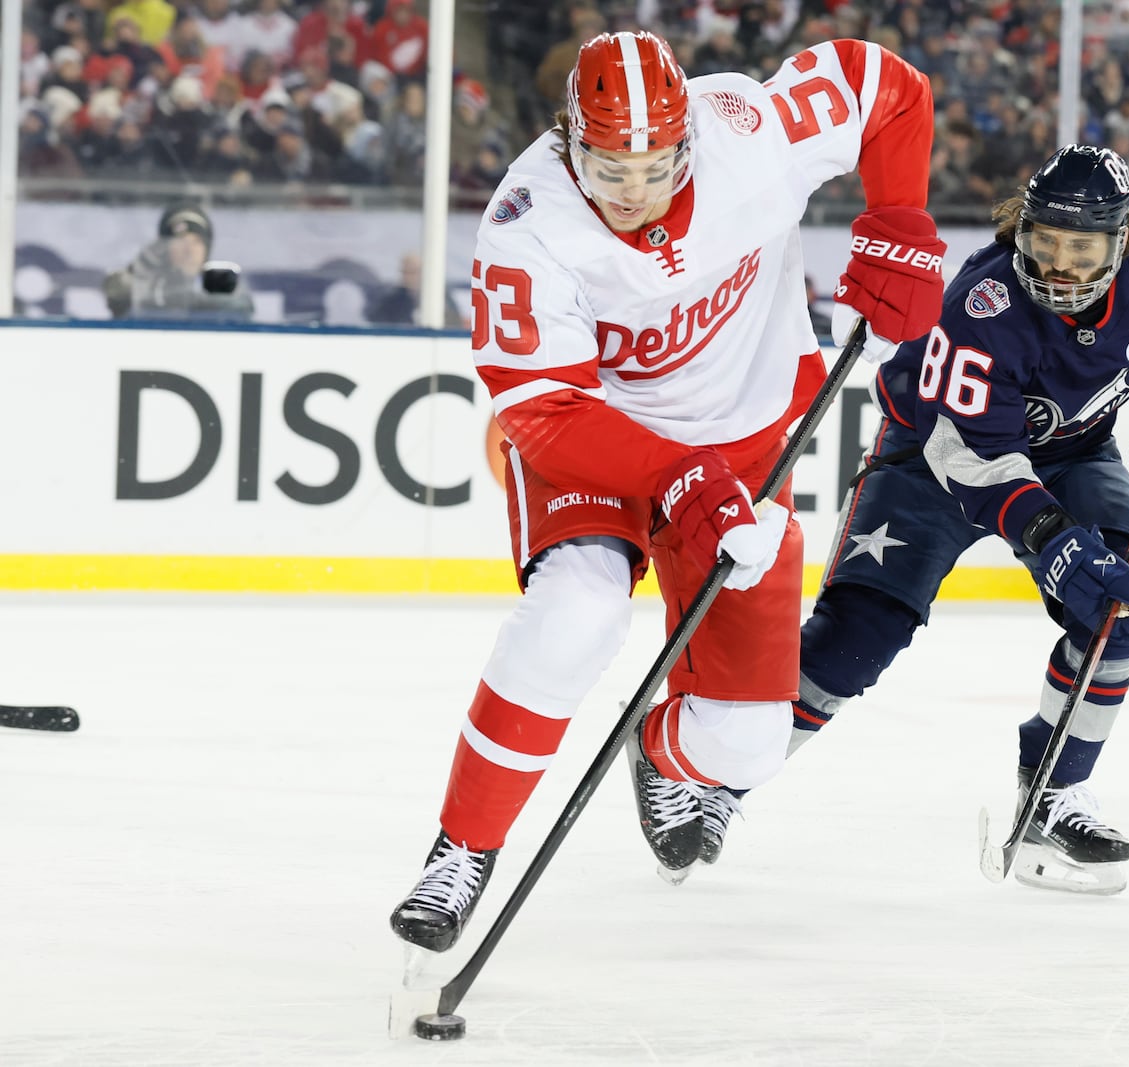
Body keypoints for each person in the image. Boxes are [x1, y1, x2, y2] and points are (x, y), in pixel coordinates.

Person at [389, 30, 945, 951]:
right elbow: (543, 411)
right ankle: (463, 848)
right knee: (578, 613)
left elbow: (889, 86)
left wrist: (901, 225)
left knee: (748, 746)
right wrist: (675, 474)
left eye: (656, 165)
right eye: (610, 170)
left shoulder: (749, 130)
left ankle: (661, 747)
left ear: (689, 137)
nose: (635, 192)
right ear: (571, 143)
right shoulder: (528, 224)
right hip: (597, 447)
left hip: (747, 445)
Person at [784, 144, 1129, 894]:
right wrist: (1049, 537)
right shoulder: (980, 307)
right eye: (1043, 242)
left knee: (1116, 604)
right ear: (1021, 228)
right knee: (858, 637)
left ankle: (1054, 791)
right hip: (932, 455)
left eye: (1081, 248)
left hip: (1074, 454)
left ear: (1124, 240)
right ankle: (713, 768)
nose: (1058, 267)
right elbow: (972, 457)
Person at [102, 203, 254, 321]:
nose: (189, 250)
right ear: (165, 248)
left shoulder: (223, 284)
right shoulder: (147, 282)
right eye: (180, 240)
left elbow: (242, 308)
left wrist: (190, 301)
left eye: (197, 242)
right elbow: (117, 293)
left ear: (206, 250)